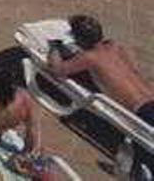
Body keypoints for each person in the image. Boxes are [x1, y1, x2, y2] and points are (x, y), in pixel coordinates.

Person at [45, 14, 154, 175]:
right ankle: (126, 169)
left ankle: (132, 171)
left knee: (147, 150)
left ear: (79, 39)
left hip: (143, 112)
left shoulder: (89, 57)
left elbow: (57, 71)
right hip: (150, 99)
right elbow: (131, 69)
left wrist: (53, 47)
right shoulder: (115, 46)